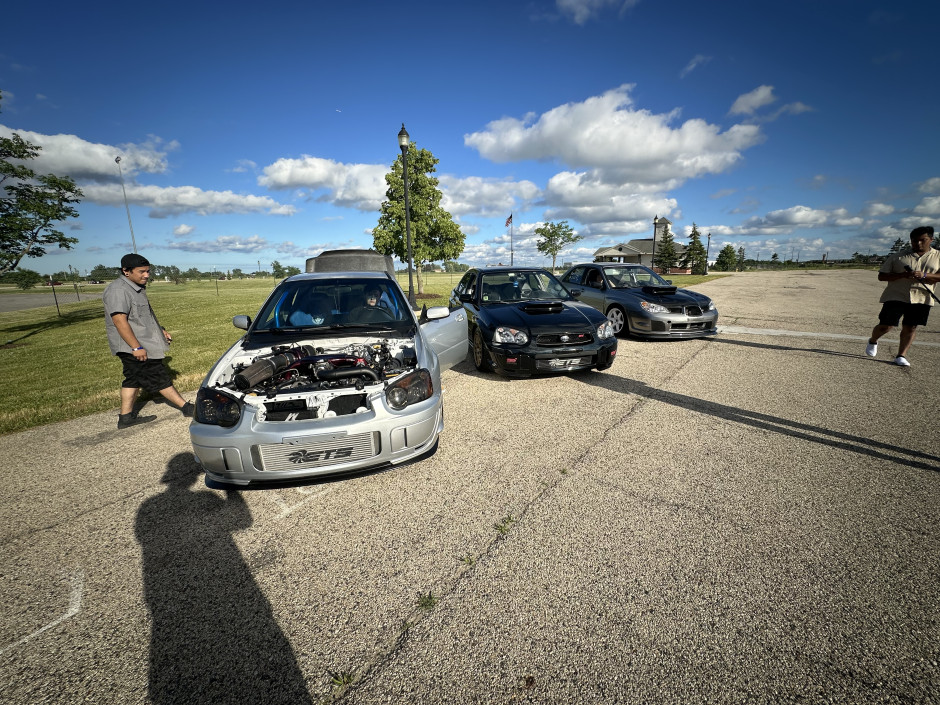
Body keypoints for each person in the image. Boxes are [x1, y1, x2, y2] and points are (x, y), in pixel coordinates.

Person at [103, 254, 194, 428]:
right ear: (126, 271)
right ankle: (187, 407)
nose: (146, 275)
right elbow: (119, 320)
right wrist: (136, 347)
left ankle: (126, 418)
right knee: (158, 376)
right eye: (142, 272)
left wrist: (160, 331)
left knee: (133, 379)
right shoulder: (118, 290)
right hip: (133, 345)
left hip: (141, 341)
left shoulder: (135, 287)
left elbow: (142, 317)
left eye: (148, 271)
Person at [865, 226, 939, 367]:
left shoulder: (938, 257)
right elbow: (882, 276)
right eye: (914, 241)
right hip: (896, 295)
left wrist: (924, 275)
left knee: (910, 327)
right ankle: (873, 340)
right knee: (886, 325)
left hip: (921, 297)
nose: (918, 244)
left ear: (931, 239)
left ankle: (901, 355)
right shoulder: (897, 257)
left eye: (922, 240)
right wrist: (902, 275)